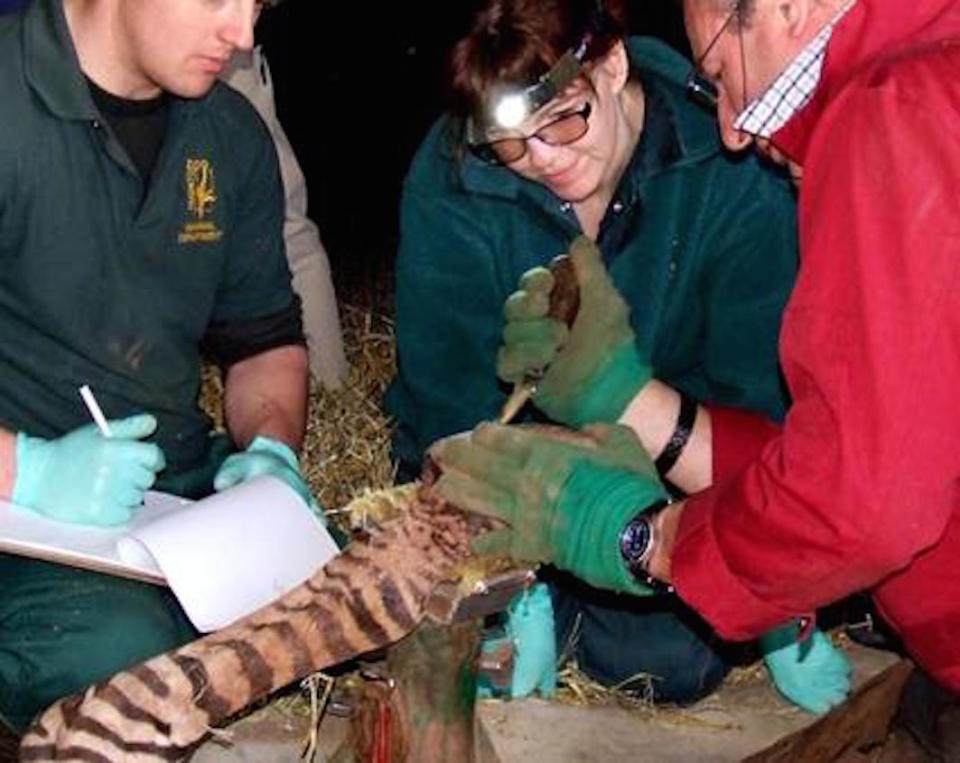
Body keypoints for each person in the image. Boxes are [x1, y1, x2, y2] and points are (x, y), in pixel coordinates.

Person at [430, 0, 960, 730]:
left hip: (752, 526)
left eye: (722, 72)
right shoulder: (924, 75)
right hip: (886, 588)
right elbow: (442, 400)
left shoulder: (887, 112)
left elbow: (853, 495)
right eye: (510, 146)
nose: (736, 128)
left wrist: (644, 537)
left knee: (668, 655)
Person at [0, 0, 314, 730]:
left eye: (258, 4)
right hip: (19, 517)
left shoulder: (230, 134)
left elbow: (264, 342)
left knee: (361, 585)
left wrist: (269, 448)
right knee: (126, 655)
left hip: (168, 493)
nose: (243, 35)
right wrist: (32, 471)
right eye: (218, 1)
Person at [222, 43, 349, 388]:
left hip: (222, 58)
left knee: (283, 220)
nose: (246, 31)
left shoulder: (235, 36)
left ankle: (328, 384)